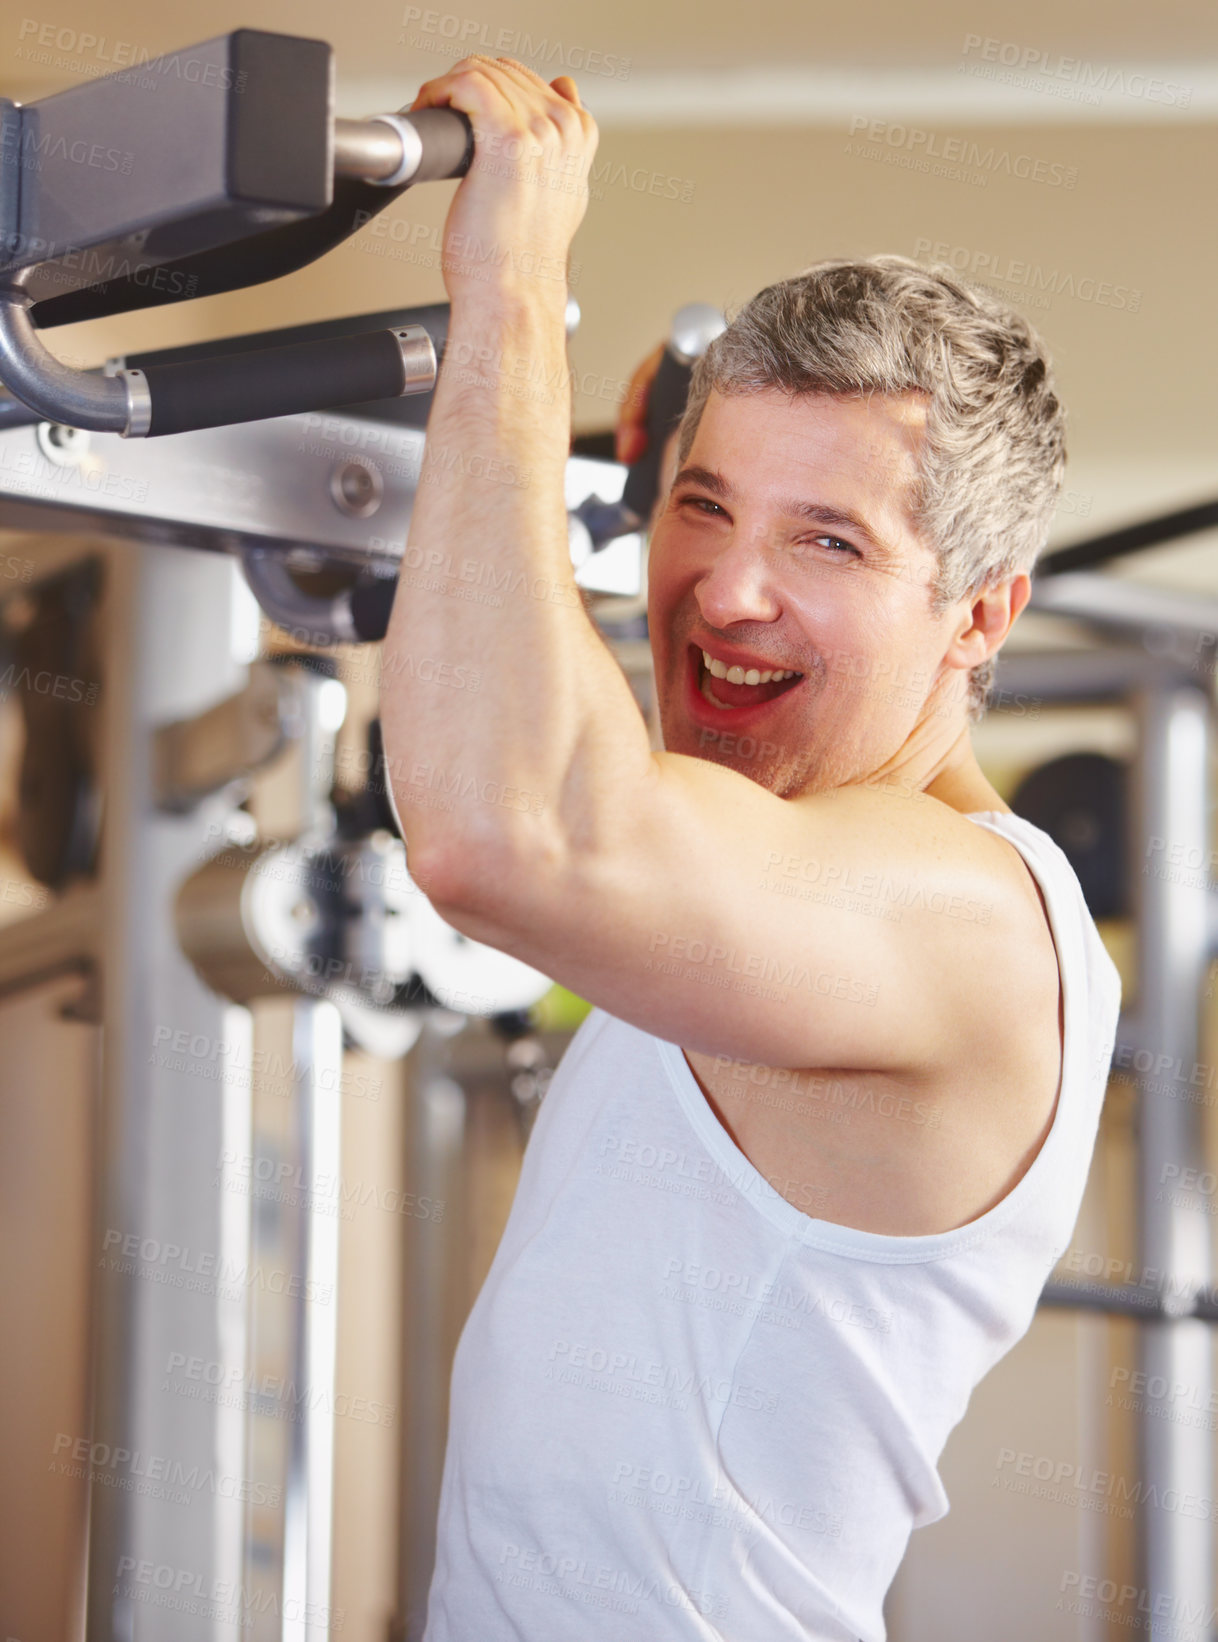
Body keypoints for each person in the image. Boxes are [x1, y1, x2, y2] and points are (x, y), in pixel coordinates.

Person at [378, 53, 1122, 1642]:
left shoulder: (968, 919)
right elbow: (534, 735)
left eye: (826, 539)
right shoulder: (757, 853)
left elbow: (500, 827)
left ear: (981, 611)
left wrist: (509, 276)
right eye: (703, 506)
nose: (723, 589)